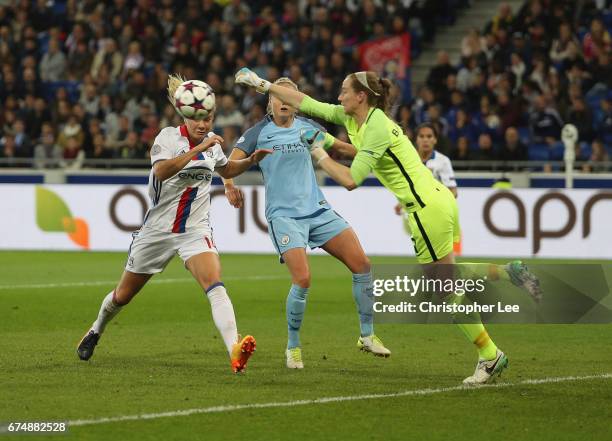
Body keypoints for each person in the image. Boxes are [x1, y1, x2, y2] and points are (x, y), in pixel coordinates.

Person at [235, 68, 542, 385]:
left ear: (361, 96)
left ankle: (490, 355)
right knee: (447, 276)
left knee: (443, 288)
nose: (338, 96)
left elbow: (351, 180)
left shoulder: (377, 127)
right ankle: (510, 273)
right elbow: (308, 103)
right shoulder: (358, 119)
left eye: (344, 90)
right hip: (438, 200)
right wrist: (262, 84)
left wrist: (319, 153)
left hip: (424, 208)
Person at [77, 74, 272, 373]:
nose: (203, 124)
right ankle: (95, 329)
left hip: (194, 231)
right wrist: (198, 148)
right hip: (157, 232)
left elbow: (226, 167)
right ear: (185, 116)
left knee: (215, 284)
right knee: (122, 296)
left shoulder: (213, 144)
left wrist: (250, 161)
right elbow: (162, 172)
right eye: (198, 119)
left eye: (208, 118)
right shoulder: (168, 138)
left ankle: (235, 350)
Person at [222, 77, 390, 369]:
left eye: (291, 96)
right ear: (270, 101)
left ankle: (367, 334)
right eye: (279, 96)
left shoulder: (309, 128)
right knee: (303, 279)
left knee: (362, 264)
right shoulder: (258, 133)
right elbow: (228, 164)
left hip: (318, 211)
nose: (284, 101)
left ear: (296, 103)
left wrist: (376, 149)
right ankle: (293, 347)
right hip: (284, 217)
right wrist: (228, 185)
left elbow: (342, 149)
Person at [393, 122, 457, 239]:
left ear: (435, 140)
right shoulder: (409, 160)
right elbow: (411, 188)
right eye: (421, 136)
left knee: (437, 253)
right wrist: (401, 203)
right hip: (415, 214)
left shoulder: (443, 161)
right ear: (416, 140)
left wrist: (440, 205)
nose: (425, 140)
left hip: (437, 214)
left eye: (429, 136)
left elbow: (453, 191)